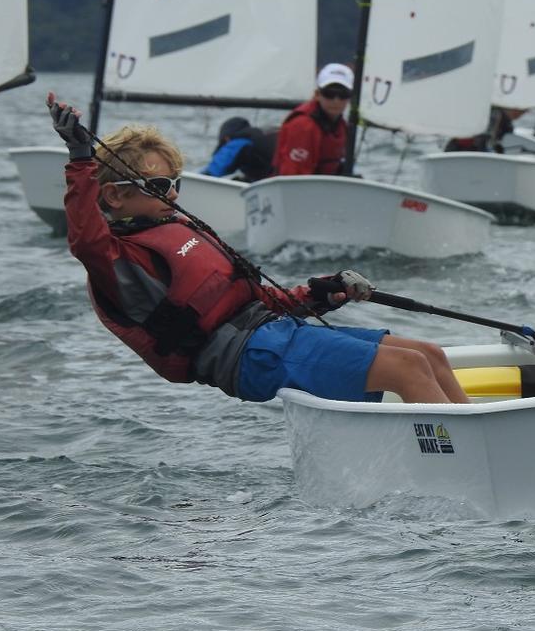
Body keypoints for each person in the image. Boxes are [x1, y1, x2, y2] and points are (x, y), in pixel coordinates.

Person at [46, 91, 469, 405]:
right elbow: (86, 240)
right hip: (248, 356)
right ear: (114, 197)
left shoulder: (180, 229)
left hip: (273, 332)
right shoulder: (125, 263)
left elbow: (264, 302)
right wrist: (79, 157)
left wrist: (321, 293)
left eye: (176, 183)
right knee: (407, 369)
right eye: (158, 186)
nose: (172, 195)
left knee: (427, 353)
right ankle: (462, 462)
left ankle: (483, 442)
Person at [272, 63, 354, 176]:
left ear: (350, 98)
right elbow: (292, 176)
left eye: (343, 94)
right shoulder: (303, 126)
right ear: (317, 94)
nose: (336, 100)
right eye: (329, 94)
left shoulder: (342, 126)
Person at [200, 116, 277, 182]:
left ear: (227, 138)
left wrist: (200, 177)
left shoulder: (240, 141)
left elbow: (214, 170)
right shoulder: (258, 137)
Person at [444, 106, 525, 154]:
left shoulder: (506, 124)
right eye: (521, 112)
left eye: (523, 113)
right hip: (464, 149)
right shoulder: (493, 113)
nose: (520, 115)